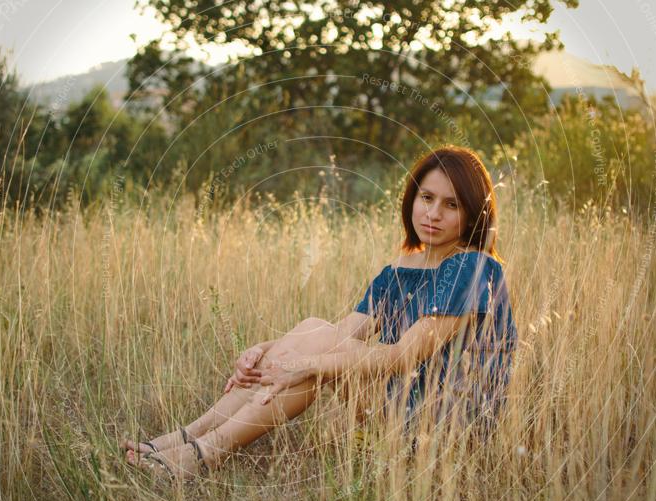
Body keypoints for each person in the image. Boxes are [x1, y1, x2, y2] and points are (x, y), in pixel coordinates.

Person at [122, 145, 517, 481]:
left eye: (452, 205)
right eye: (426, 198)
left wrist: (307, 365)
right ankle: (185, 438)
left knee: (320, 351)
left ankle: (203, 455)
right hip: (395, 410)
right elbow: (346, 331)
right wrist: (263, 349)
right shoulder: (400, 270)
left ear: (473, 215)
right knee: (317, 328)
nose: (433, 213)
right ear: (411, 199)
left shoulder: (472, 267)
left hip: (444, 429)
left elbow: (403, 357)